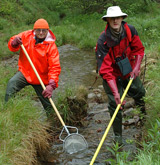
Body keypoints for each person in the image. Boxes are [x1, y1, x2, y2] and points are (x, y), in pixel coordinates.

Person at [95, 6, 146, 144]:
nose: (115, 20)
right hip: (112, 76)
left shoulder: (130, 30)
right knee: (114, 104)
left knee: (140, 92)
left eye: (117, 17)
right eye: (112, 18)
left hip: (128, 69)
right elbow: (105, 70)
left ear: (122, 18)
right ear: (108, 20)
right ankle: (118, 136)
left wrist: (136, 67)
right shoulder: (102, 41)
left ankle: (144, 117)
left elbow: (139, 50)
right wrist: (116, 93)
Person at [5, 18, 61, 118]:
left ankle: (54, 124)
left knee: (49, 104)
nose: (41, 32)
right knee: (11, 84)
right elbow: (12, 45)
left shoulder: (51, 46)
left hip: (41, 78)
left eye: (43, 30)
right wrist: (14, 42)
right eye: (38, 30)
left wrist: (51, 85)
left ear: (47, 31)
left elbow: (54, 67)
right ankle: (7, 112)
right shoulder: (26, 36)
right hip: (25, 72)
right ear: (34, 30)